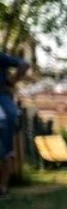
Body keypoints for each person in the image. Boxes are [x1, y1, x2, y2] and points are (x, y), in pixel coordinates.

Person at [0, 50, 30, 198]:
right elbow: (24, 64)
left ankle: (3, 187)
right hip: (5, 105)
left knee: (6, 149)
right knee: (6, 149)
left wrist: (11, 82)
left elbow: (24, 64)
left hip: (3, 105)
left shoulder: (2, 57)